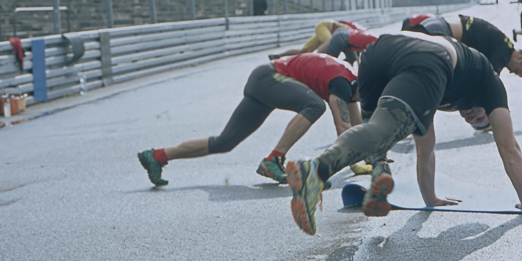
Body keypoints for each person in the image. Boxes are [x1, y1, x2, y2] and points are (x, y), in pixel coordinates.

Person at [284, 32, 522, 235]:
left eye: (474, 123)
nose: (474, 118)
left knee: (376, 136)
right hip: (425, 55)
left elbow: (426, 149)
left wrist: (431, 199)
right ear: (492, 110)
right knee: (382, 132)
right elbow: (510, 149)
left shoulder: (444, 90)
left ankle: (377, 186)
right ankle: (315, 171)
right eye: (482, 116)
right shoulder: (492, 86)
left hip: (380, 53)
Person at [137, 52, 369, 188]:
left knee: (224, 142)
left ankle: (157, 156)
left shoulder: (352, 86)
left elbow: (357, 129)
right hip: (269, 77)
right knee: (314, 105)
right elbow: (344, 127)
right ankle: (273, 160)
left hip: (263, 80)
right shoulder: (343, 82)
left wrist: (364, 161)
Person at [402, 13, 522, 77]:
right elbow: (491, 81)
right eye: (516, 70)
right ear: (521, 58)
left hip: (438, 24)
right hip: (442, 32)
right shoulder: (504, 53)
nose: (510, 71)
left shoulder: (504, 44)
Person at [272, 20, 358, 58]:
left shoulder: (352, 35)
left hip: (327, 31)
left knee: (302, 51)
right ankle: (317, 57)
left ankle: (277, 56)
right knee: (328, 40)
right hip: (325, 26)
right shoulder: (352, 32)